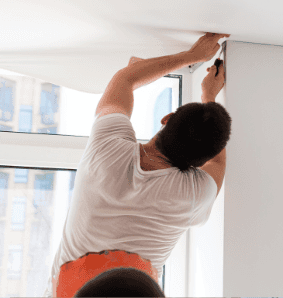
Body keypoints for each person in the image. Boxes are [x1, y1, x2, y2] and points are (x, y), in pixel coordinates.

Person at [43, 33, 232, 297]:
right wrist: (209, 96)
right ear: (198, 164)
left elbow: (124, 79)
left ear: (165, 119)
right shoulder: (193, 195)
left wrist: (194, 56)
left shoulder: (109, 149)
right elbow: (219, 161)